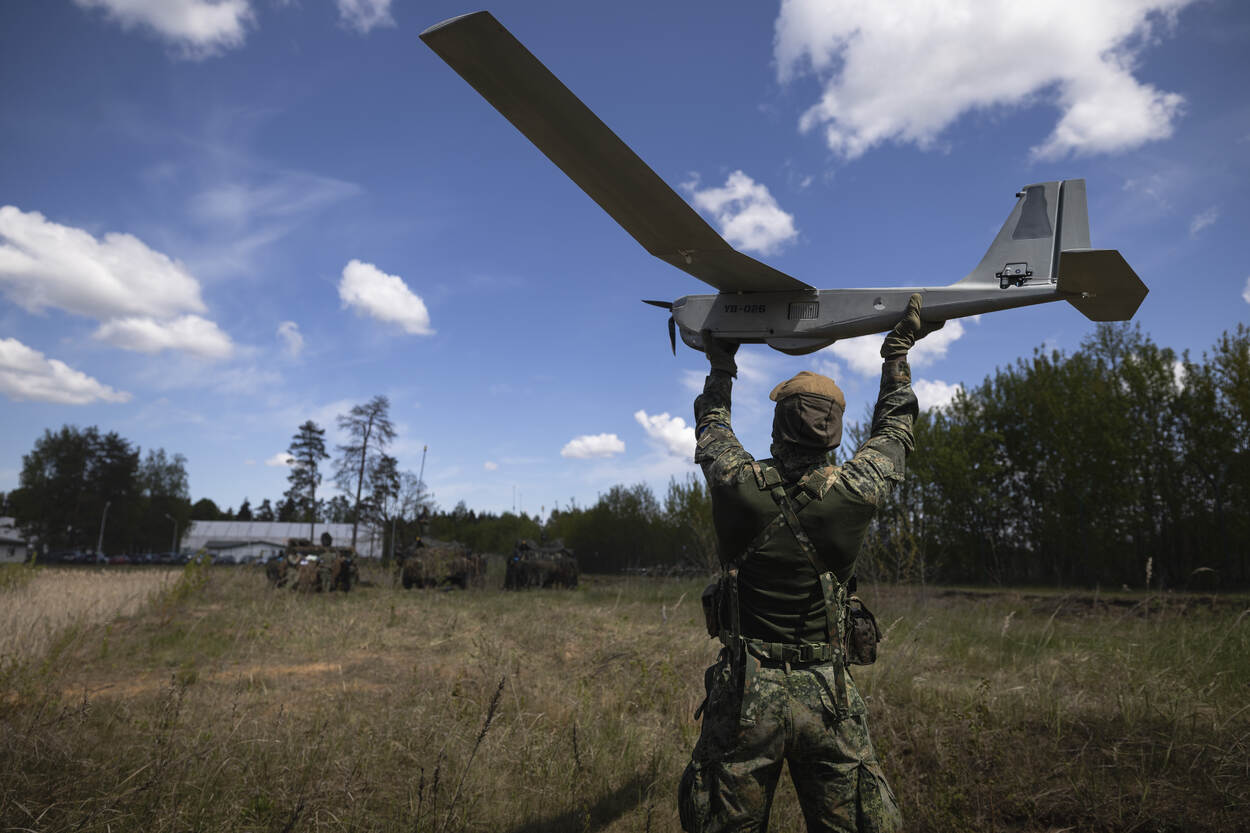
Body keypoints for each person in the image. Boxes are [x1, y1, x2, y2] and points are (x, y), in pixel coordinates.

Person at [678, 294, 943, 833]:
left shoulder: (735, 483)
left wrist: (721, 363)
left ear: (778, 424)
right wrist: (896, 353)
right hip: (827, 693)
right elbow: (895, 431)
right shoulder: (856, 491)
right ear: (836, 432)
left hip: (745, 692)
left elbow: (712, 423)